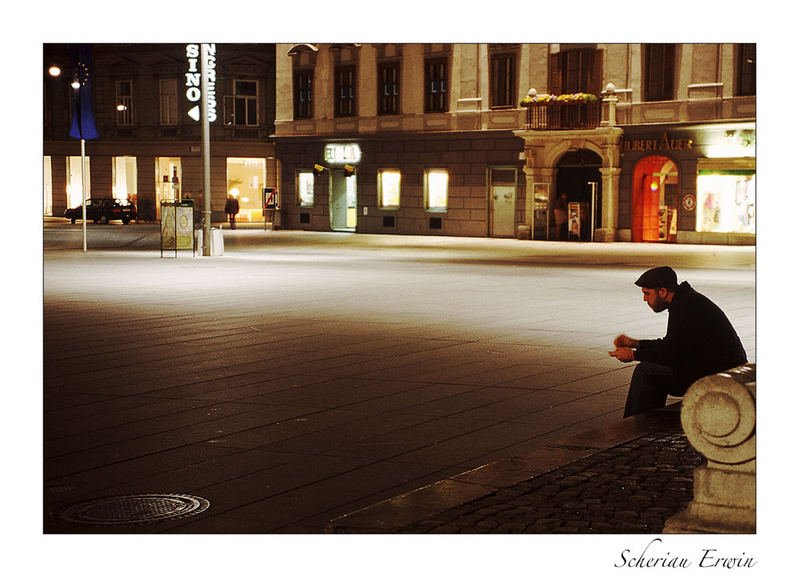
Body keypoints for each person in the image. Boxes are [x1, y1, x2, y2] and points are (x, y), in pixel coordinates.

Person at [609, 266, 747, 418]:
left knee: (646, 371)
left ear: (662, 291)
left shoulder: (686, 307)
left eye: (647, 294)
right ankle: (643, 422)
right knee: (653, 370)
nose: (644, 299)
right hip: (719, 368)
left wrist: (634, 356)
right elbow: (672, 344)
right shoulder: (686, 300)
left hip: (718, 374)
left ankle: (634, 426)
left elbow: (671, 354)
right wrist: (635, 344)